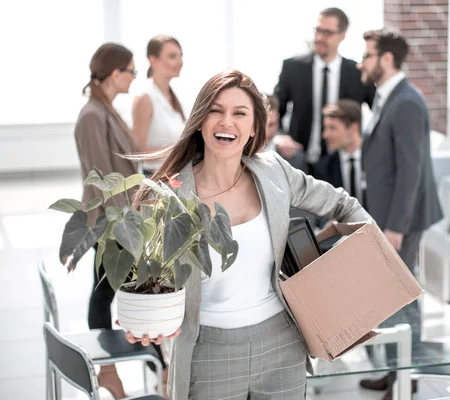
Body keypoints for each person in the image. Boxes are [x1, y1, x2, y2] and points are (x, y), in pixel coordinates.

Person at [128, 69, 370, 399]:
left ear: (254, 127)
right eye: (216, 110)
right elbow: (147, 279)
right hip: (208, 353)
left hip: (282, 342)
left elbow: (343, 204)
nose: (227, 121)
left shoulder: (273, 172)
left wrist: (371, 263)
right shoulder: (167, 195)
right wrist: (144, 322)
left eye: (240, 113)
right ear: (200, 120)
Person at [357, 28, 443, 400]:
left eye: (368, 55)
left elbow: (412, 171)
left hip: (400, 221)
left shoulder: (407, 101)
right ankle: (394, 372)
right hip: (386, 214)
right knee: (389, 296)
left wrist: (395, 227)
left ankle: (407, 377)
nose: (362, 62)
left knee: (402, 298)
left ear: (386, 59)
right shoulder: (387, 96)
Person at [74, 43, 142, 399]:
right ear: (115, 73)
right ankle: (108, 371)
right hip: (113, 223)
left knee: (108, 292)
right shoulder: (92, 115)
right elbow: (102, 180)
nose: (134, 77)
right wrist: (128, 227)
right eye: (132, 70)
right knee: (106, 294)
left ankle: (115, 372)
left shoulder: (105, 110)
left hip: (122, 220)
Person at [273, 7, 375, 174]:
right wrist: (279, 136)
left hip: (341, 167)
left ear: (342, 35)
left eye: (327, 33)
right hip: (298, 161)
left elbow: (378, 114)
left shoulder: (357, 73)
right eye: (317, 31)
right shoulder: (293, 68)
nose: (319, 38)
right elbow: (275, 109)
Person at [132, 35, 186, 176]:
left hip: (174, 176)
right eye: (172, 56)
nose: (180, 62)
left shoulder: (173, 98)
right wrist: (178, 150)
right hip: (154, 179)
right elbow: (138, 152)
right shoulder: (145, 98)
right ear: (153, 60)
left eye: (181, 56)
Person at [313, 99, 364, 205]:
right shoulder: (323, 168)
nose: (325, 135)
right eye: (325, 128)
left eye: (332, 128)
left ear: (353, 128)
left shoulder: (378, 161)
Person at [263, 95, 308, 172]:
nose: (265, 131)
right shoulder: (240, 153)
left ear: (277, 118)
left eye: (271, 125)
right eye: (261, 124)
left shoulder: (295, 159)